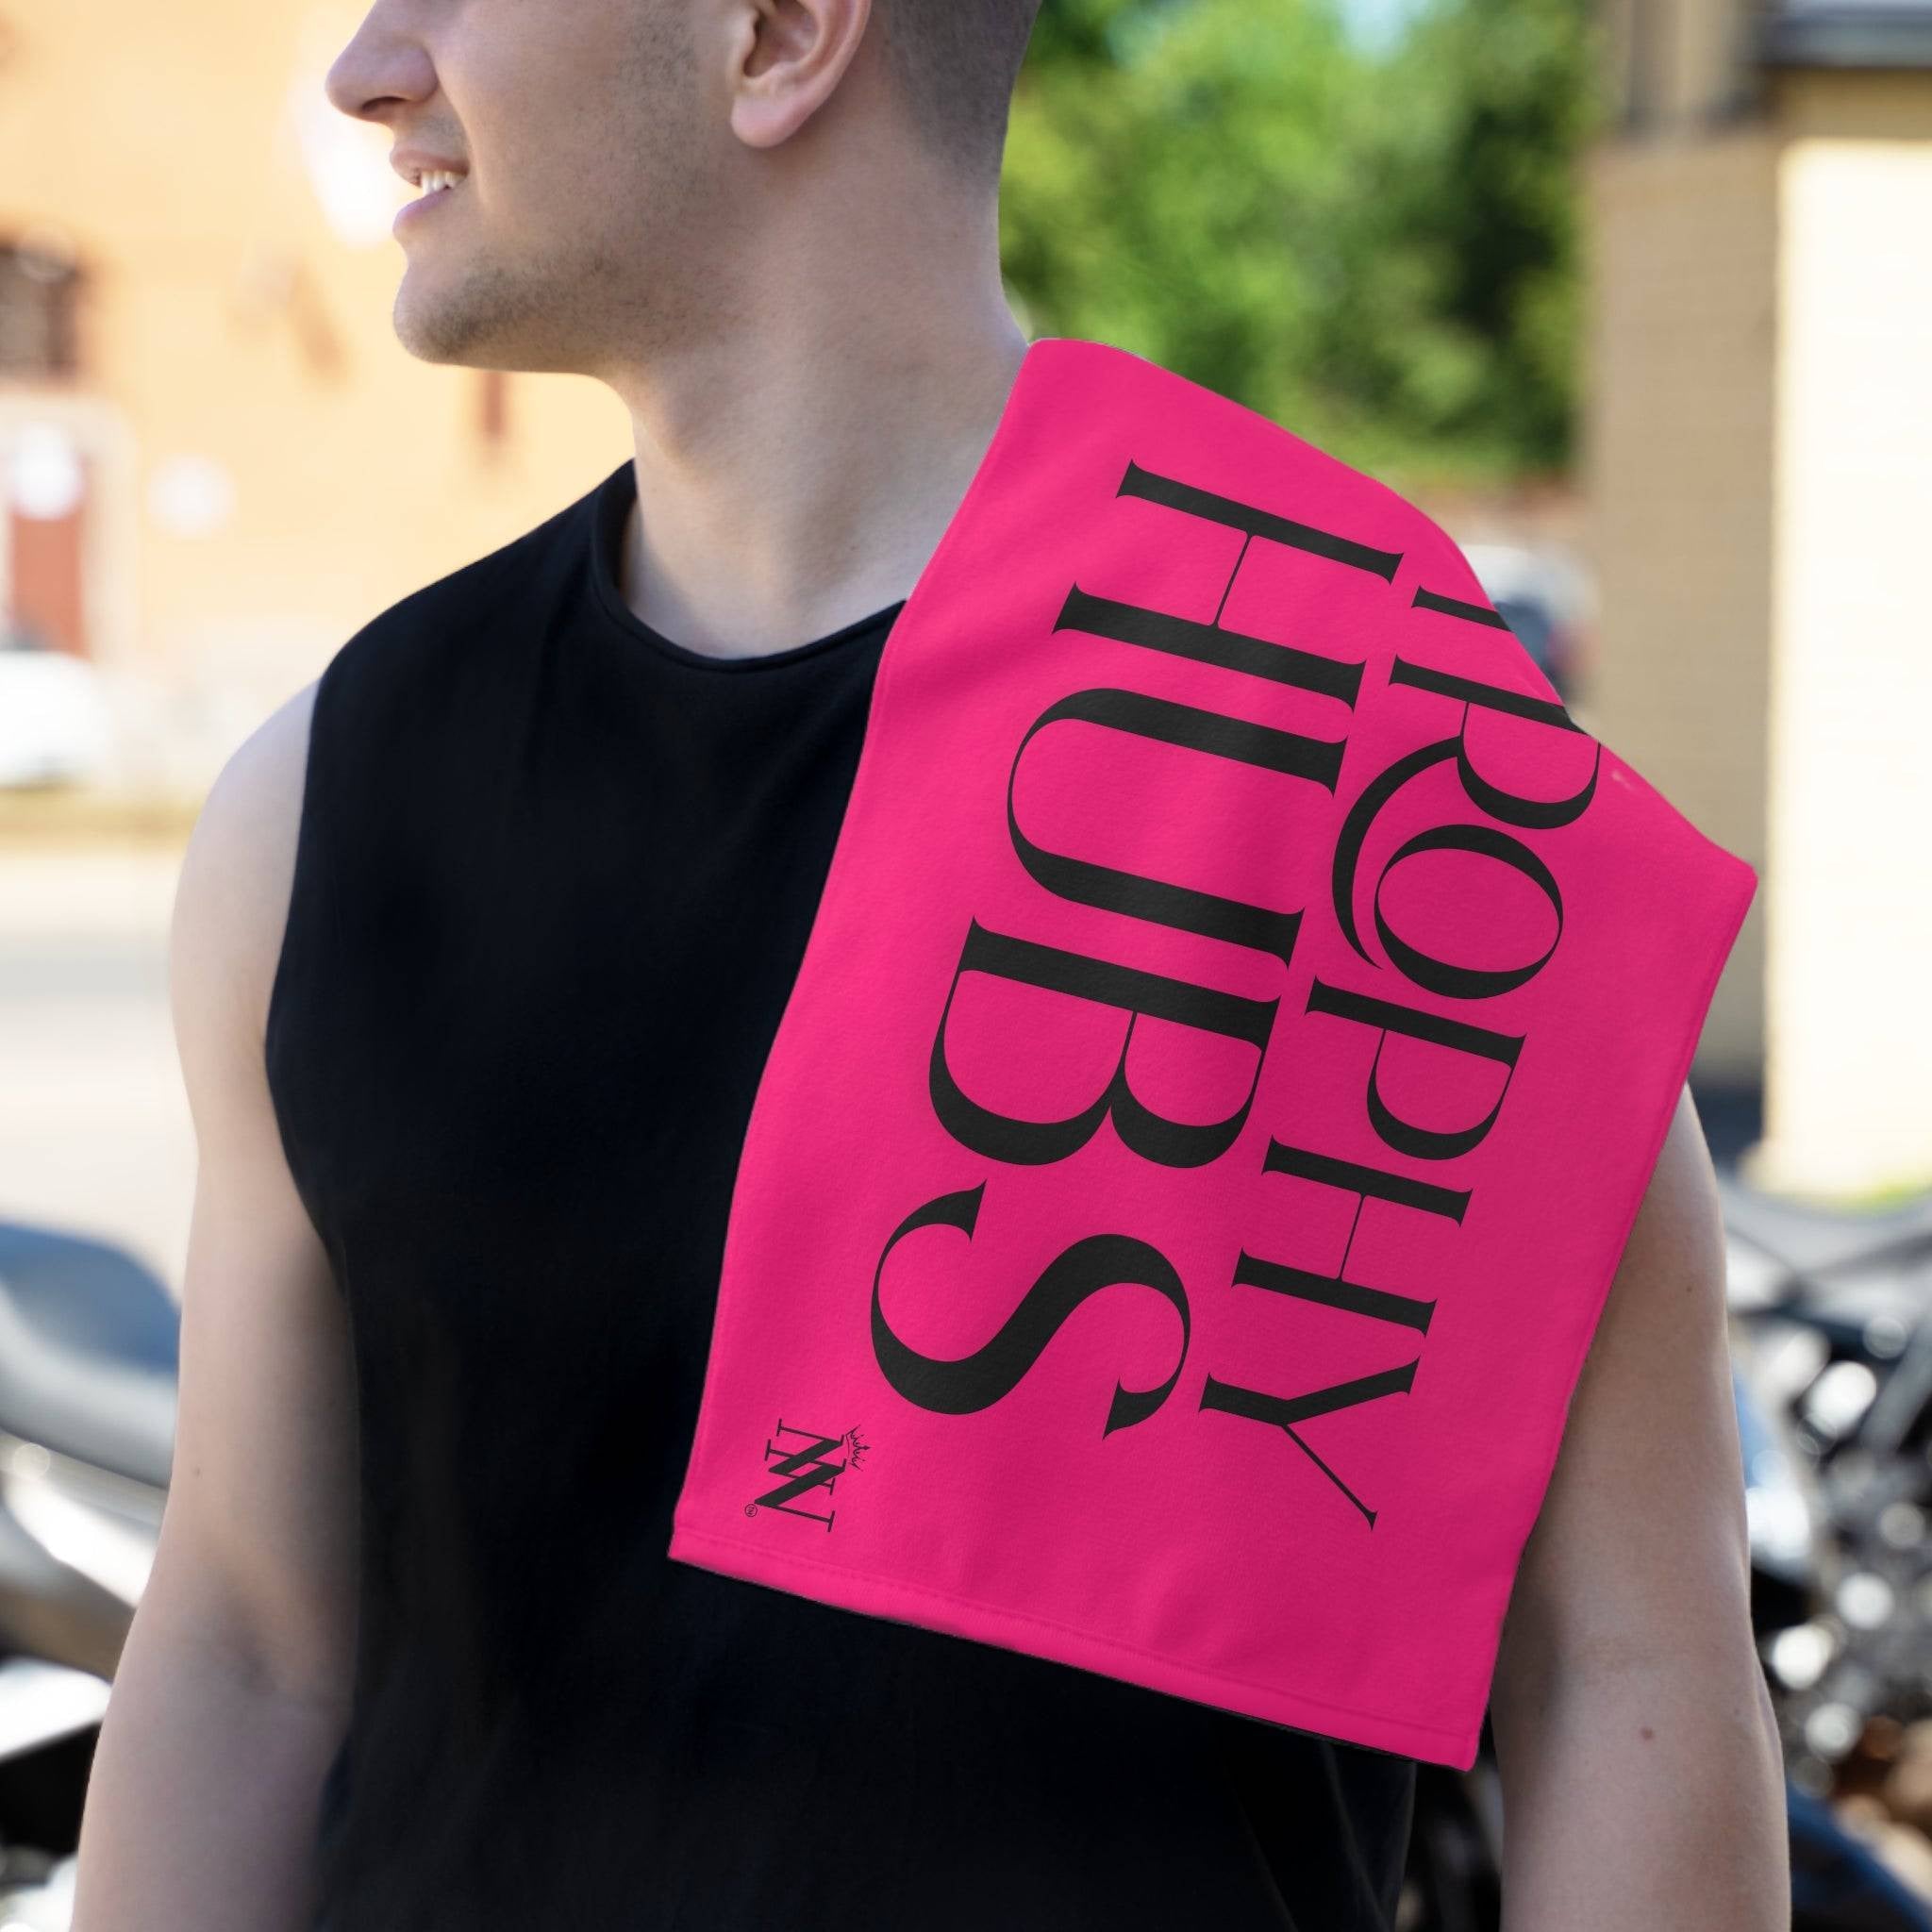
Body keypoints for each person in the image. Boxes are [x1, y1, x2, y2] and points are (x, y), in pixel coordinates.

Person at [70, 0, 1790, 1925]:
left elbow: (1622, 1673)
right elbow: (245, 1650)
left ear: (779, 35)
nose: (371, 65)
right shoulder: (328, 801)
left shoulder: (1383, 757)